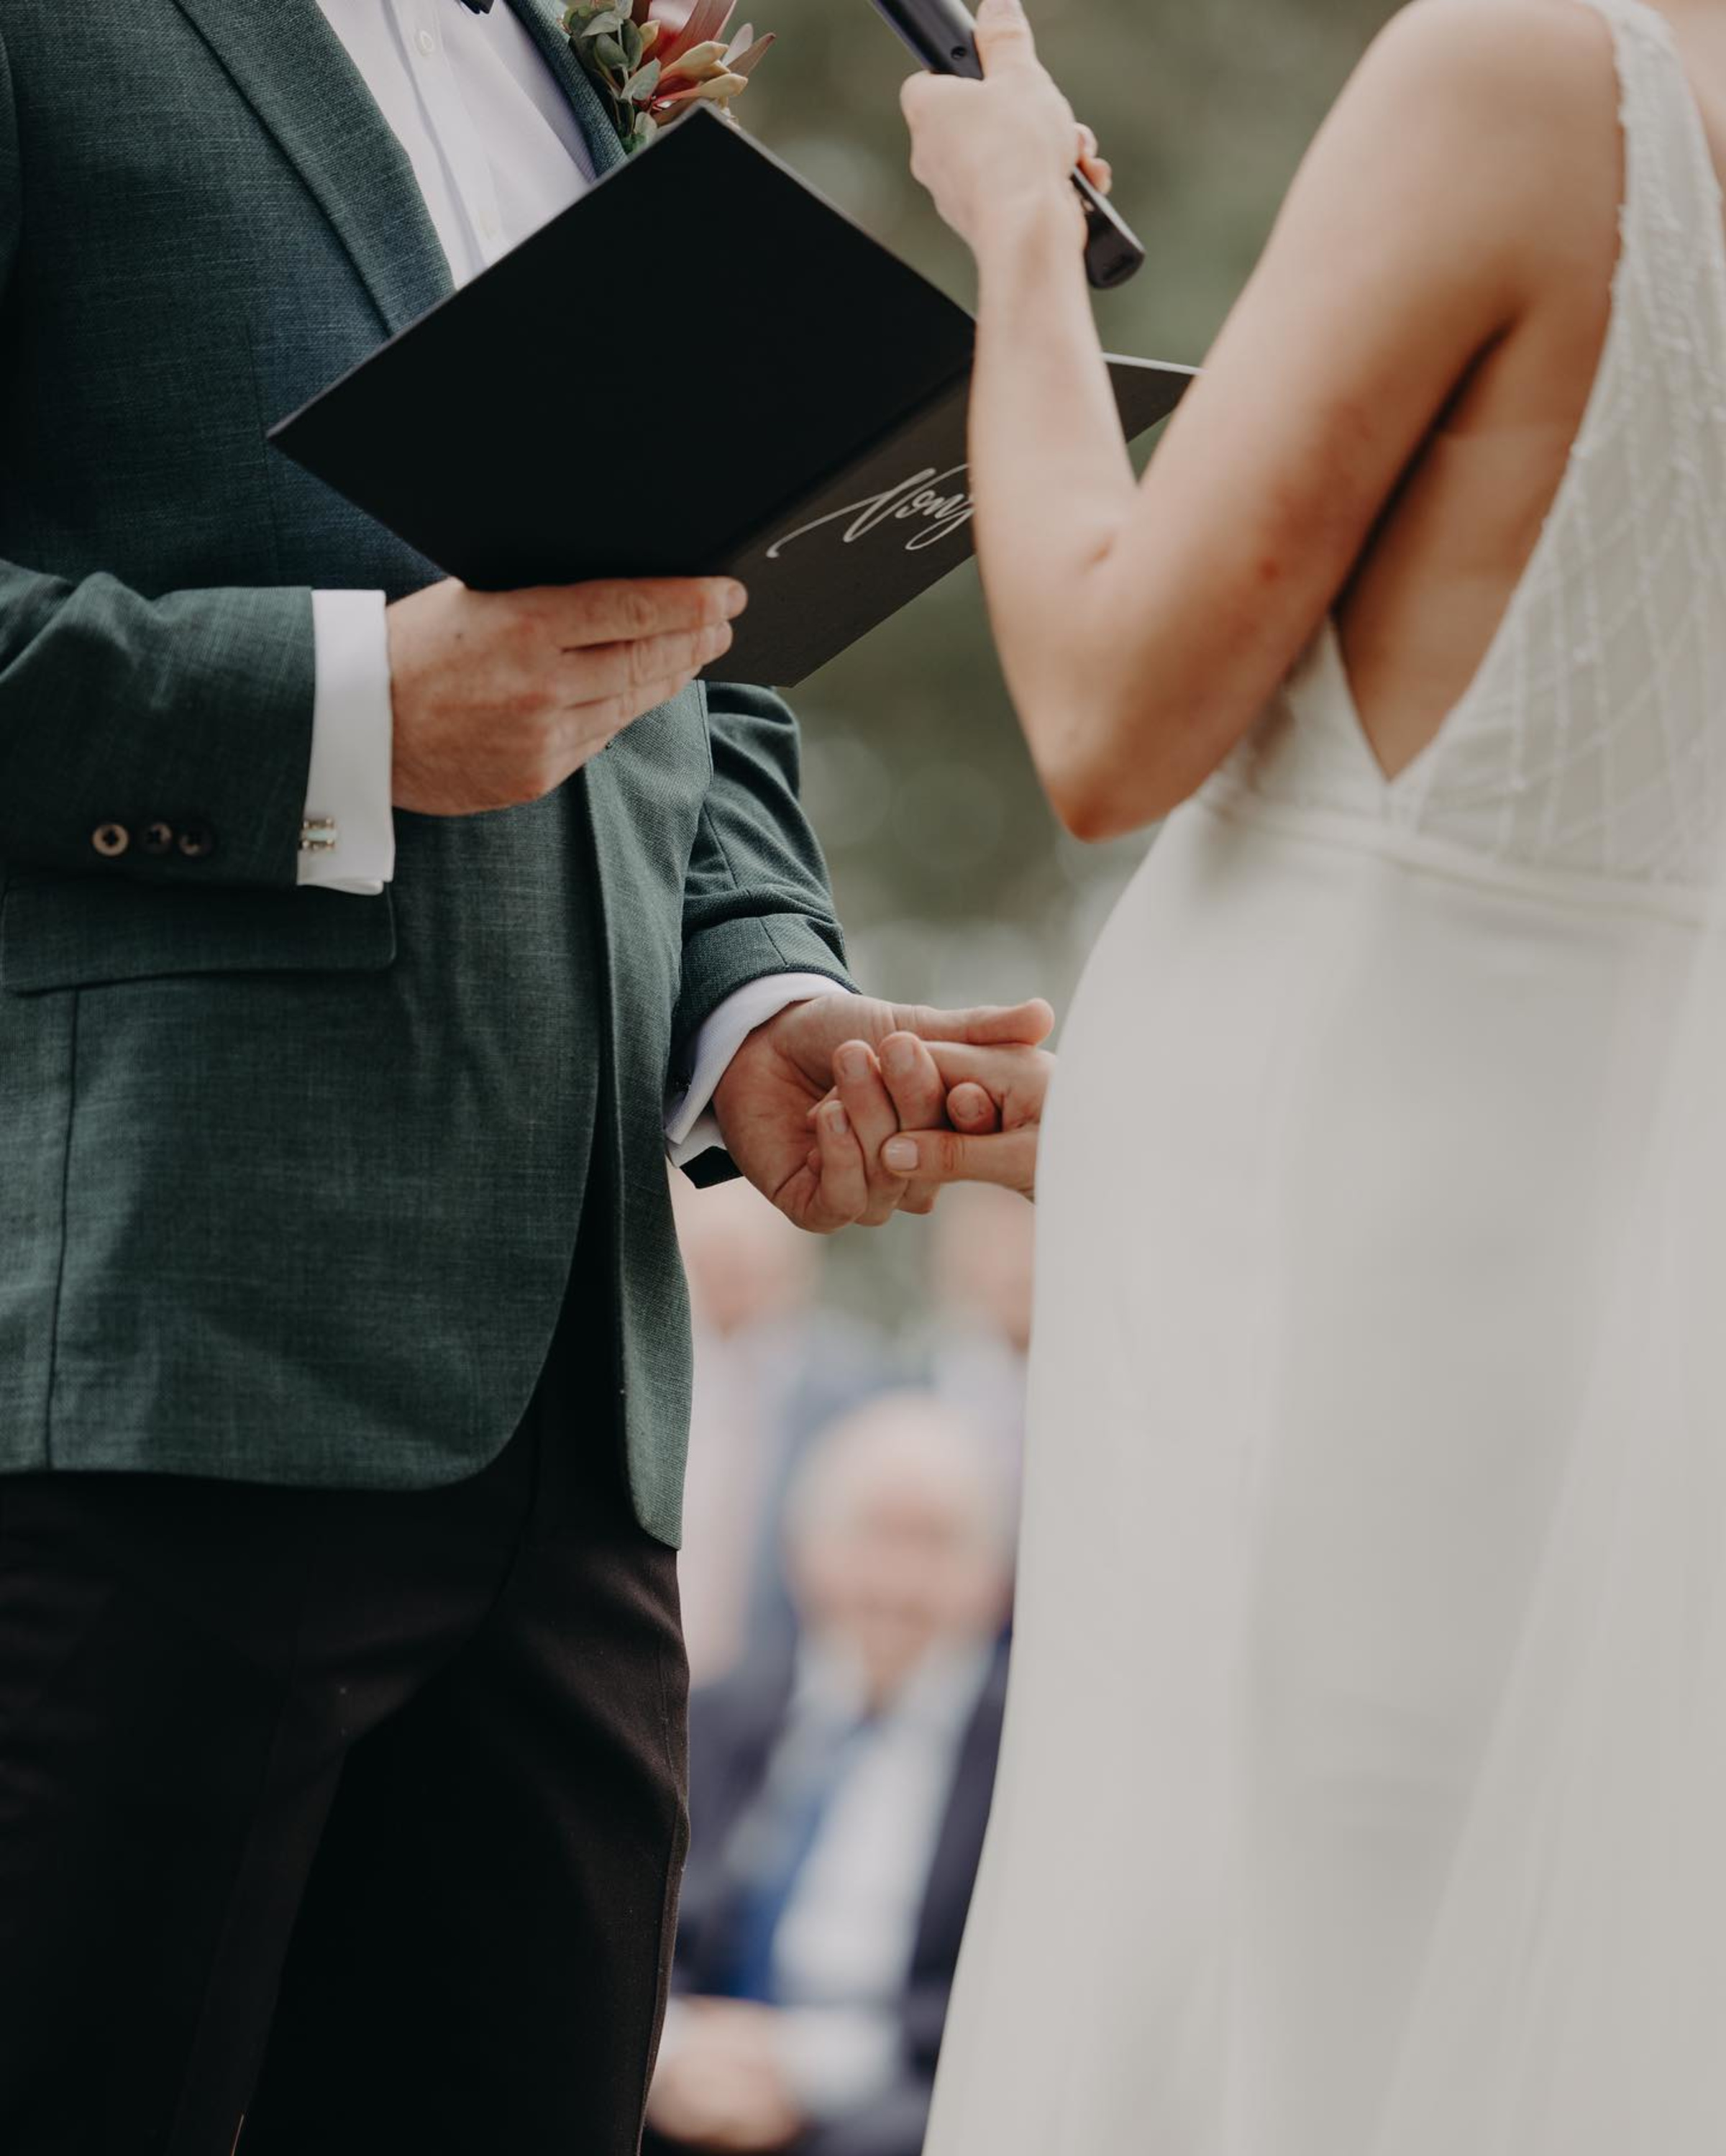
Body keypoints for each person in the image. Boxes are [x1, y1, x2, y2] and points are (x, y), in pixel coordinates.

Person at [0, 8, 1052, 2152]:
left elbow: (697, 639)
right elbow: (403, 682)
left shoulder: (576, 61)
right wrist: (327, 709)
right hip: (144, 1373)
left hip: (580, 1444)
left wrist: (757, 1003)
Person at [877, 0, 1726, 2147]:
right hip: (1598, 1356)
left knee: (1223, 2014)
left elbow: (1100, 705)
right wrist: (1160, 1118)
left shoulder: (1526, 80)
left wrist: (1014, 234)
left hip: (1322, 1363)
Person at [644, 1395, 1014, 2156]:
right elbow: (642, 1920)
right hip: (694, 2066)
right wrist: (680, 2051)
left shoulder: (1014, 1758)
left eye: (936, 1543)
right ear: (802, 1551)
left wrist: (800, 2070)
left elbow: (986, 2007)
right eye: (871, 1535)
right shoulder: (714, 1714)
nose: (897, 1579)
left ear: (994, 1575)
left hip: (892, 2101)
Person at [673, 1175, 892, 1682]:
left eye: (746, 1262)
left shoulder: (854, 1387)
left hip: (780, 1688)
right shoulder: (644, 1374)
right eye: (714, 1260)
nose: (730, 1278)